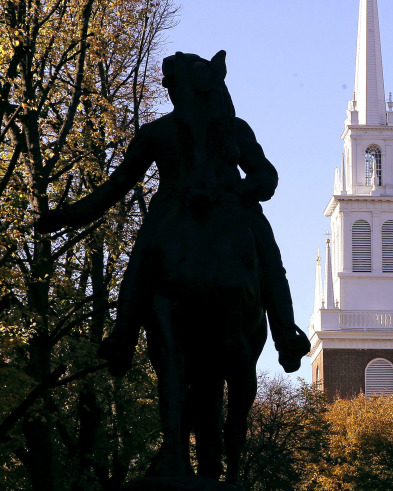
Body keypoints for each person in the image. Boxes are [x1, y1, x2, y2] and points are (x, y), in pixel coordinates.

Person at [38, 51, 311, 377]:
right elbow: (117, 185)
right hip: (172, 212)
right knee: (143, 256)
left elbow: (265, 178)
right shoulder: (158, 132)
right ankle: (122, 335)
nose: (177, 93)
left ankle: (285, 335)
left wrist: (238, 192)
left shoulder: (233, 129)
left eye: (179, 86)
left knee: (266, 252)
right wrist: (68, 216)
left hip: (230, 208)